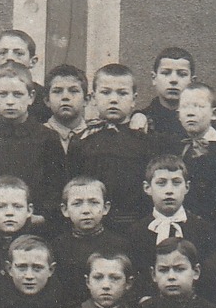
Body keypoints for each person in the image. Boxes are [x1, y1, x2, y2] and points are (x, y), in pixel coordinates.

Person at [0, 63, 64, 218]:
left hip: (34, 224)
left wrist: (41, 217)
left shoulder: (47, 138)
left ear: (31, 97)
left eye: (17, 94)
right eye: (3, 94)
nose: (10, 101)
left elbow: (56, 186)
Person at [69, 63, 161, 232]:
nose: (113, 99)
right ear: (93, 98)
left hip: (134, 224)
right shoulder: (82, 139)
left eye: (122, 93)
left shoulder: (144, 140)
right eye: (105, 92)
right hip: (93, 225)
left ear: (134, 99)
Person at [173, 81, 216, 220]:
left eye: (199, 106)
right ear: (178, 114)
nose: (191, 113)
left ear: (214, 113)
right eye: (185, 107)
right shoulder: (175, 146)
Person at [49, 177, 134, 282]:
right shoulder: (57, 246)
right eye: (77, 203)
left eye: (94, 202)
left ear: (105, 208)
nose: (86, 210)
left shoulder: (120, 245)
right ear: (65, 210)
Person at [139, 155, 216, 253]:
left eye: (176, 183)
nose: (169, 190)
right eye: (161, 183)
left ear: (186, 187)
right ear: (147, 188)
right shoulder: (136, 233)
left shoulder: (204, 231)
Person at [133, 47, 194, 141]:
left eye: (182, 74)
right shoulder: (142, 120)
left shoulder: (201, 119)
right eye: (166, 73)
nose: (173, 80)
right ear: (154, 78)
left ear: (192, 81)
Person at [0, 28, 51, 122]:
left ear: (33, 61)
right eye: (3, 53)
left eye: (19, 53)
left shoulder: (44, 99)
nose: (10, 58)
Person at [41, 63, 90, 172]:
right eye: (57, 91)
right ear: (47, 101)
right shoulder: (37, 137)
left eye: (73, 91)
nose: (65, 97)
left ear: (86, 100)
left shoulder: (95, 136)